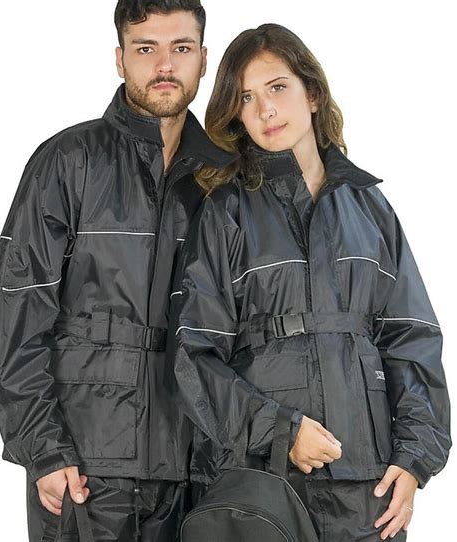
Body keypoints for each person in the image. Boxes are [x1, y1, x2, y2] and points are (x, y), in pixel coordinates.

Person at [167, 24, 452, 541]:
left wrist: (414, 460)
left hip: (366, 485)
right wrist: (281, 430)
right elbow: (195, 355)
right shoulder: (225, 212)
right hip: (261, 483)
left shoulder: (370, 209)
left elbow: (411, 340)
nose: (265, 110)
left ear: (313, 93)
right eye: (246, 97)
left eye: (278, 87)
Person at [0, 1, 234, 540]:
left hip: (196, 467)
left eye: (181, 48)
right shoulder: (68, 160)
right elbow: (18, 313)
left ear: (203, 59)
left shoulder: (224, 176)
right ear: (120, 59)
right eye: (146, 49)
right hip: (84, 466)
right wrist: (44, 450)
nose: (164, 65)